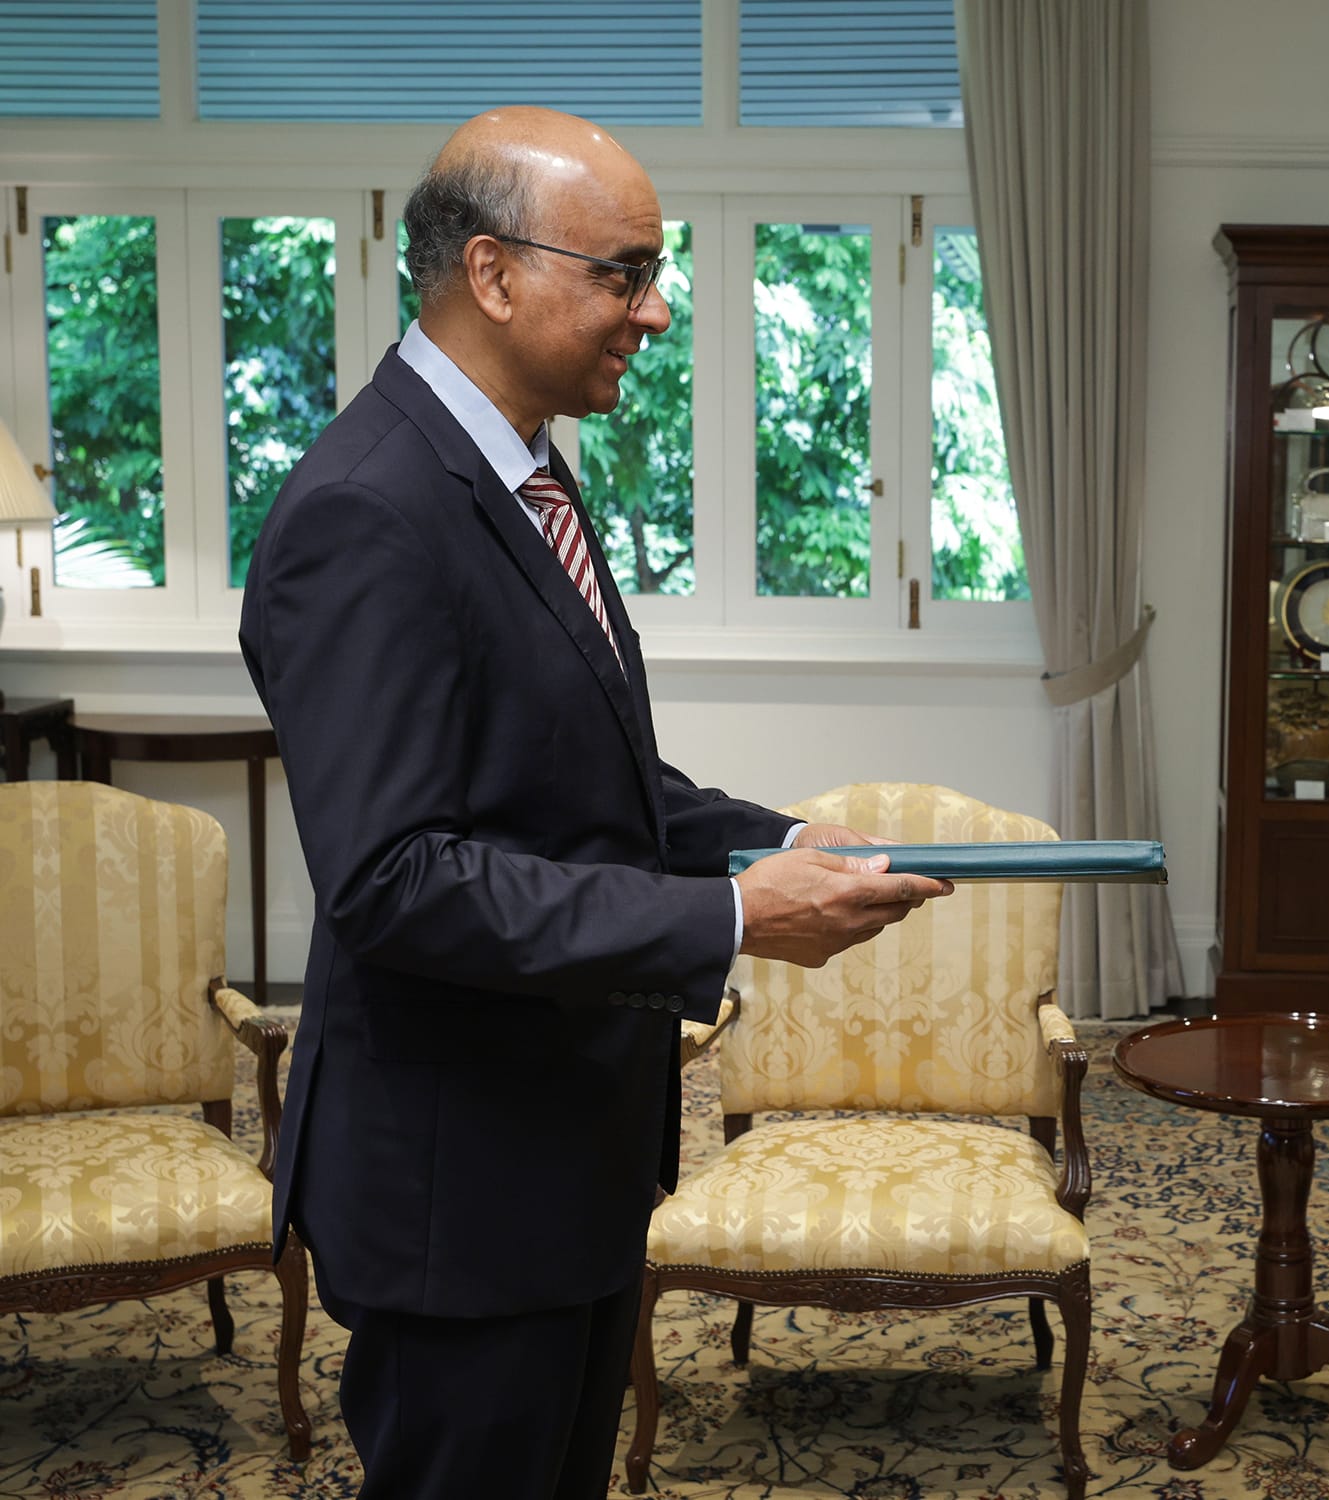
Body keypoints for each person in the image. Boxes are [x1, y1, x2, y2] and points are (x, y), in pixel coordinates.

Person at [238, 107, 951, 1500]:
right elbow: (394, 878)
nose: (658, 309)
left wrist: (780, 840)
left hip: (559, 1153)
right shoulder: (369, 508)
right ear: (494, 273)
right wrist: (734, 916)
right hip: (461, 1184)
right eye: (625, 273)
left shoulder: (525, 472)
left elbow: (586, 787)